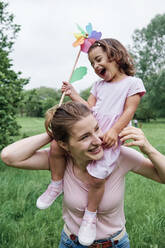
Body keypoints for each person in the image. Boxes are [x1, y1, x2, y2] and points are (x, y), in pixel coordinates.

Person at [1, 101, 165, 248]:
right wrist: (53, 133)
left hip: (114, 244)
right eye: (85, 136)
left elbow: (162, 177)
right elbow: (9, 157)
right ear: (64, 144)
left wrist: (149, 149)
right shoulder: (60, 160)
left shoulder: (119, 156)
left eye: (96, 129)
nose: (98, 140)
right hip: (70, 243)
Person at [36, 38, 146, 245]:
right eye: (92, 63)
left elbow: (129, 110)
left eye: (98, 60)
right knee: (55, 147)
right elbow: (88, 109)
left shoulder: (132, 83)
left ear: (115, 56)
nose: (96, 66)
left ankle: (90, 215)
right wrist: (73, 93)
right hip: (91, 132)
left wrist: (114, 130)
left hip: (109, 140)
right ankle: (56, 184)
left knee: (97, 178)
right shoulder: (98, 85)